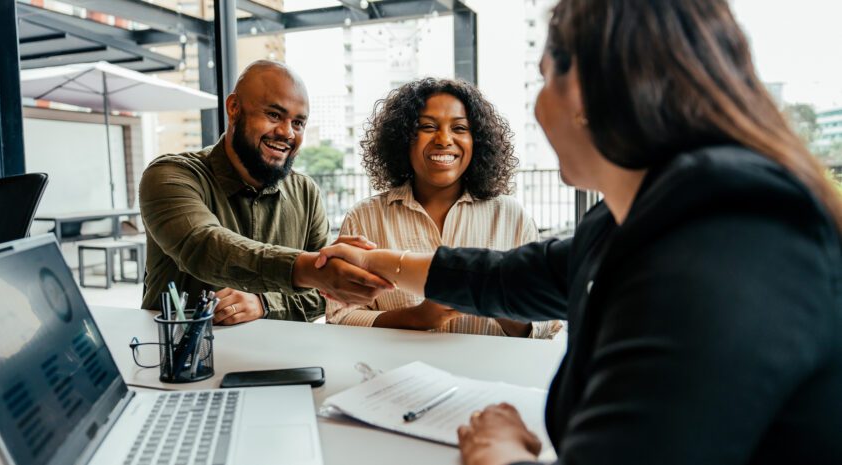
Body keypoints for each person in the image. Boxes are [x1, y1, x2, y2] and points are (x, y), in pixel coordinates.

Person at [314, 0, 842, 463]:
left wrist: (497, 454)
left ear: (592, 93)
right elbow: (512, 276)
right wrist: (377, 261)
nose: (540, 107)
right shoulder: (628, 217)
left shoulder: (723, 241)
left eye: (545, 77)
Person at [139, 60, 391, 326]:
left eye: (298, 123)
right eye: (273, 115)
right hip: (183, 356)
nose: (286, 132)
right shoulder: (170, 175)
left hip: (280, 359)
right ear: (234, 108)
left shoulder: (305, 192)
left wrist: (266, 303)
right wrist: (309, 269)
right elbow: (204, 247)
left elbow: (325, 295)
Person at [327, 78, 559, 338]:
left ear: (477, 141)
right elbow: (340, 317)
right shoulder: (365, 217)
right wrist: (415, 318)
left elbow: (546, 325)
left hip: (490, 376)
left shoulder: (511, 216)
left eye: (460, 128)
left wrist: (493, 297)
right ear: (403, 138)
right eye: (427, 126)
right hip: (393, 373)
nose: (444, 139)